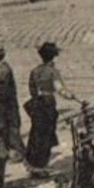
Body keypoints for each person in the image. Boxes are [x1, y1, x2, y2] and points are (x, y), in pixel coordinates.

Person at [24, 42, 75, 175]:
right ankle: (41, 165)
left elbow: (32, 89)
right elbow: (60, 89)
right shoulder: (52, 72)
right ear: (53, 57)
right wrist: (72, 96)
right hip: (48, 104)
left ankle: (32, 164)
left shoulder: (35, 71)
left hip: (36, 104)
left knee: (36, 133)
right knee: (46, 134)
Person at [0, 46, 24, 162]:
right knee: (3, 131)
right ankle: (4, 153)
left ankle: (26, 158)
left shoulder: (3, 70)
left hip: (6, 108)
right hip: (4, 107)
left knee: (11, 133)